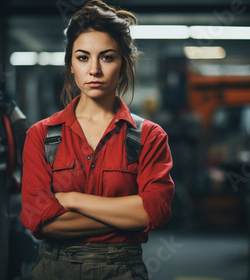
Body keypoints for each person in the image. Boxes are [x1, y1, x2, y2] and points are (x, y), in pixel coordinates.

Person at [20, 1, 174, 279]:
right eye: (82, 57)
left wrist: (72, 199)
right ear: (70, 65)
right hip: (54, 269)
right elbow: (38, 220)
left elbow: (155, 211)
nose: (94, 70)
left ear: (123, 64)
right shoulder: (41, 135)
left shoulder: (150, 136)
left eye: (106, 57)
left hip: (122, 269)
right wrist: (127, 219)